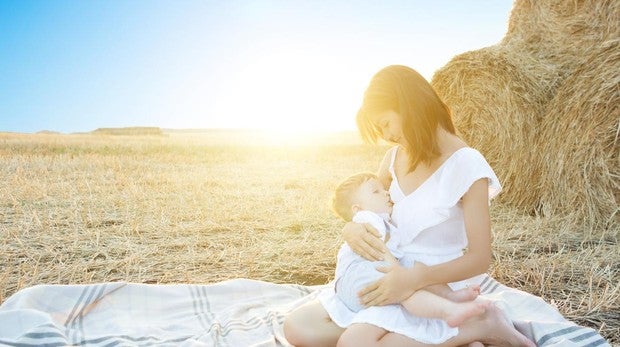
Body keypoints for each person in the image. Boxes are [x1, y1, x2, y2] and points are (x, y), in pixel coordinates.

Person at [283, 65, 536, 347]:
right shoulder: (392, 159)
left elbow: (479, 259)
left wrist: (415, 278)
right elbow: (371, 210)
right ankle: (447, 339)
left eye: (385, 124)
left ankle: (482, 323)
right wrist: (351, 229)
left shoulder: (467, 165)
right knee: (298, 327)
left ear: (408, 105)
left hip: (434, 285)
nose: (386, 136)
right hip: (390, 272)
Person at [330, 171, 487, 331]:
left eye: (383, 189)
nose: (386, 193)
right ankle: (449, 310)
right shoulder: (367, 219)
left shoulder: (379, 220)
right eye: (376, 191)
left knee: (414, 269)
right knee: (405, 289)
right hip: (358, 280)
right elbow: (379, 248)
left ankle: (449, 296)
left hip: (360, 281)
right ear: (357, 209)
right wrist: (398, 273)